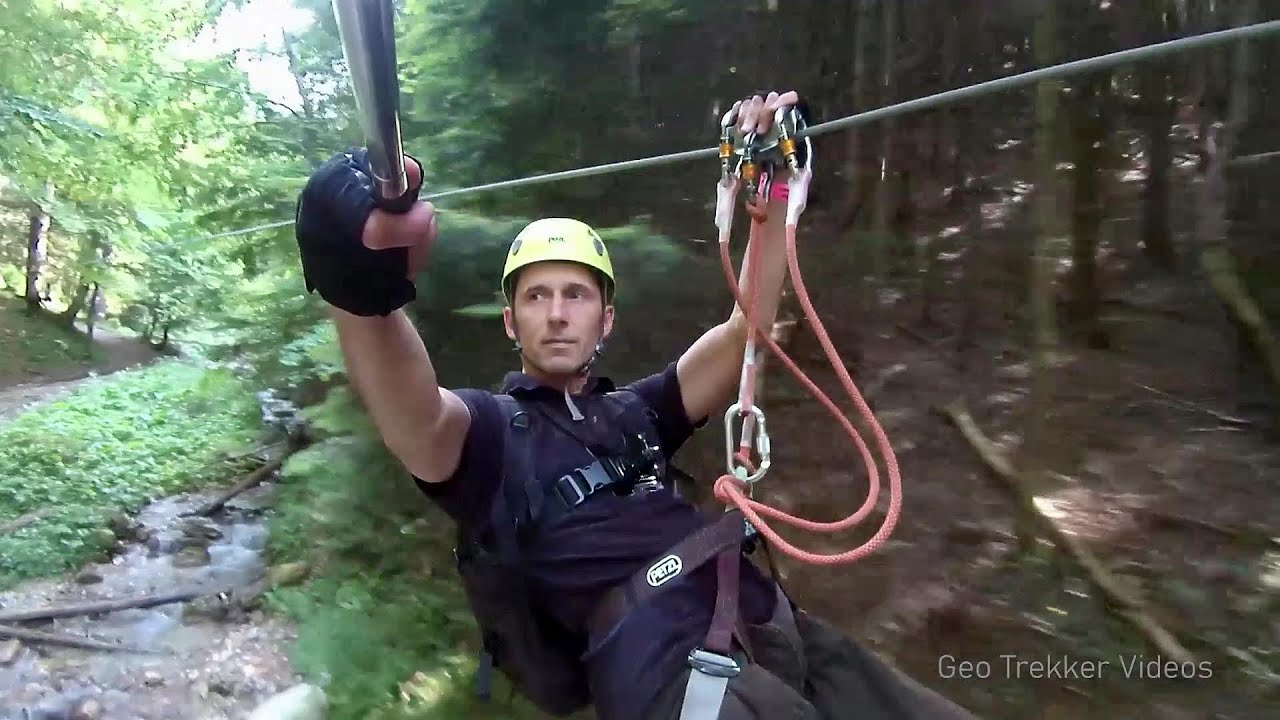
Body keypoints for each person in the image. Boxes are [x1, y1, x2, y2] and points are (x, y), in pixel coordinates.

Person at [294, 91, 979, 720]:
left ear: (606, 320)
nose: (557, 314)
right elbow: (412, 415)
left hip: (768, 621)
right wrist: (359, 294)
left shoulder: (639, 413)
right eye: (537, 296)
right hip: (660, 667)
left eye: (576, 295)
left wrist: (768, 188)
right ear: (511, 322)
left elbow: (749, 331)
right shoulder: (491, 436)